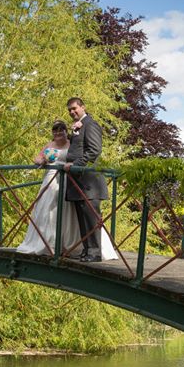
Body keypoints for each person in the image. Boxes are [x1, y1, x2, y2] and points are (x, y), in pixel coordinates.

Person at [16, 121, 78, 255]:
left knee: (65, 209)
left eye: (61, 130)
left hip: (66, 178)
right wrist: (40, 160)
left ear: (66, 131)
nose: (58, 133)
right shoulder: (49, 145)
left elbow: (76, 157)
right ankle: (47, 242)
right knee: (46, 208)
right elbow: (38, 157)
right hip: (50, 179)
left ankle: (65, 244)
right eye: (55, 130)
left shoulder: (71, 144)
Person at [64, 97, 112, 262]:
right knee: (82, 218)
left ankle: (95, 252)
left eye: (74, 108)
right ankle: (87, 250)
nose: (72, 112)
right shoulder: (79, 127)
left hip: (89, 182)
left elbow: (94, 151)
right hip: (78, 182)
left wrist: (75, 165)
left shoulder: (90, 124)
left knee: (91, 218)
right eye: (69, 110)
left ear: (83, 107)